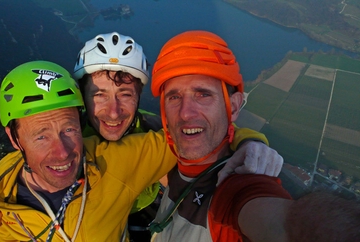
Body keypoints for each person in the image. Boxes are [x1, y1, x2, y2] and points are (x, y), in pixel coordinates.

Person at [0, 33, 283, 239]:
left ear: (139, 99)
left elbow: (198, 132)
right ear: (81, 99)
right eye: (99, 95)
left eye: (125, 95)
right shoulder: (23, 164)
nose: (114, 112)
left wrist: (249, 142)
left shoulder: (142, 143)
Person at [148, 30, 360, 242]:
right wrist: (249, 139)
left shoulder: (234, 188)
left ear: (234, 106)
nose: (186, 112)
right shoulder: (170, 160)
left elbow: (288, 225)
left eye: (203, 94)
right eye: (174, 96)